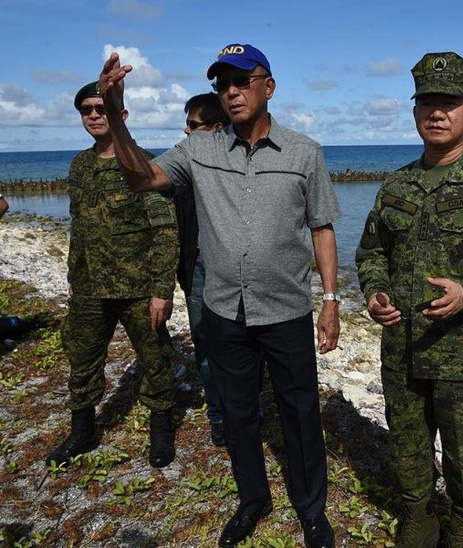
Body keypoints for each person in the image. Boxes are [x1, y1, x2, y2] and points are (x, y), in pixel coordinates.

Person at [98, 43, 340, 548]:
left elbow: (321, 228)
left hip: (287, 309)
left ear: (267, 87)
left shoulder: (304, 153)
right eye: (220, 84)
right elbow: (142, 178)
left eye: (240, 81)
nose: (229, 92)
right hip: (225, 310)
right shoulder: (199, 150)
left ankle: (311, 509)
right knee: (237, 412)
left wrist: (332, 300)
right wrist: (118, 118)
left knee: (300, 412)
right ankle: (252, 499)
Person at [355, 52, 463, 548]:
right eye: (427, 103)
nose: (437, 113)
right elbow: (371, 254)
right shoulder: (395, 186)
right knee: (408, 444)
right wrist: (375, 294)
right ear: (415, 112)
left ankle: (460, 527)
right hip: (402, 349)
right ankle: (418, 517)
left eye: (449, 103)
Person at [46, 81, 179, 469]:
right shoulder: (80, 166)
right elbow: (79, 224)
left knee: (154, 360)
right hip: (89, 287)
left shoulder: (143, 164)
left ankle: (161, 429)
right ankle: (82, 432)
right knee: (82, 358)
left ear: (120, 115)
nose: (93, 115)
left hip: (138, 287)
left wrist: (161, 289)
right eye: (86, 109)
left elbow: (165, 230)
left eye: (100, 108)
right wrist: (74, 273)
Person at [175, 93, 230, 446]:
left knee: (244, 344)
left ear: (215, 128)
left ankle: (245, 407)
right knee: (206, 345)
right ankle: (219, 415)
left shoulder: (237, 165)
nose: (186, 131)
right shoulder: (181, 167)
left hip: (232, 269)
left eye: (193, 125)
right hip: (196, 268)